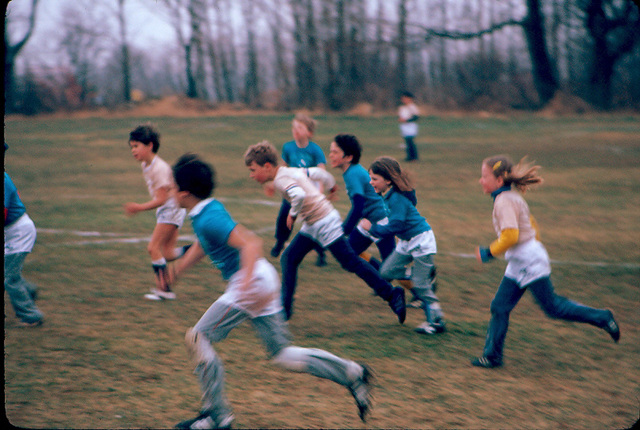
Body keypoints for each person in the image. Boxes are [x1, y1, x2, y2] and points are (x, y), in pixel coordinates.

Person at [168, 154, 373, 428]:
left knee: (197, 338)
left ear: (184, 193)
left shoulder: (208, 219)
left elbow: (251, 243)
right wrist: (178, 271)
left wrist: (244, 283)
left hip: (251, 283)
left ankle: (217, 416)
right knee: (282, 354)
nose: (169, 192)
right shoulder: (205, 212)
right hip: (262, 280)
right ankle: (352, 373)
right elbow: (204, 244)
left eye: (171, 187)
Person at [471, 155, 620, 368]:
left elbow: (511, 235)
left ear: (499, 180)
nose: (480, 180)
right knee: (499, 306)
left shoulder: (504, 202)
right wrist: (531, 247)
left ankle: (603, 317)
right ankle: (492, 357)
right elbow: (531, 224)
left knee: (553, 307)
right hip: (522, 259)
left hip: (528, 260)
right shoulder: (509, 198)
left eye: (484, 176)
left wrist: (489, 252)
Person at [244, 141, 406, 324]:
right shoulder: (289, 171)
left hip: (323, 223)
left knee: (351, 262)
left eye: (252, 170)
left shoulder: (281, 180)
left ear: (266, 167)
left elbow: (298, 195)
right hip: (314, 223)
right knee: (289, 258)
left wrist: (292, 214)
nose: (251, 175)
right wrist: (331, 186)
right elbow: (319, 173)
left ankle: (392, 295)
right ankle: (284, 312)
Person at [360, 156, 446, 335]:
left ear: (388, 180)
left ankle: (436, 322)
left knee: (421, 286)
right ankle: (424, 275)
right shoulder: (390, 195)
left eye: (374, 179)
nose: (371, 182)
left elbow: (397, 225)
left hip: (420, 240)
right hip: (407, 242)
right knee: (386, 271)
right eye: (370, 178)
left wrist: (374, 229)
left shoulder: (396, 198)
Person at [123, 124, 187, 301]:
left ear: (150, 145)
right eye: (132, 147)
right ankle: (200, 248)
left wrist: (138, 207)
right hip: (170, 209)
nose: (133, 151)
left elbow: (162, 199)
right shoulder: (146, 164)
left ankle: (164, 290)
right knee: (167, 253)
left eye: (136, 146)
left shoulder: (159, 168)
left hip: (171, 209)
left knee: (153, 248)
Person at [327, 134, 395, 271]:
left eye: (335, 152)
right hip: (368, 222)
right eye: (331, 151)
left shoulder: (352, 173)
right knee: (348, 254)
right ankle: (381, 279)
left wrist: (345, 229)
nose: (330, 155)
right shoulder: (351, 172)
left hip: (381, 222)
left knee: (391, 269)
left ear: (348, 157)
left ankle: (423, 284)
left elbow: (358, 205)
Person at [271, 114, 327, 267]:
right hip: (291, 191)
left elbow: (321, 173)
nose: (295, 130)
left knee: (313, 224)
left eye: (300, 128)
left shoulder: (315, 150)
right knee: (283, 217)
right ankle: (279, 243)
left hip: (309, 193)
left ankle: (321, 253)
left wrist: (320, 190)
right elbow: (282, 167)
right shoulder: (288, 147)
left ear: (309, 132)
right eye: (294, 127)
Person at [4, 143, 44, 327]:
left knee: (9, 278)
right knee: (10, 274)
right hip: (11, 231)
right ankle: (28, 292)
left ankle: (31, 316)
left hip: (18, 232)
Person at [398, 91, 420, 162]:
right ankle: (409, 157)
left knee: (410, 142)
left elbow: (416, 117)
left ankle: (414, 157)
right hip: (404, 127)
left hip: (410, 126)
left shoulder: (412, 107)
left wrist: (406, 120)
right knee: (407, 142)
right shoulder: (402, 107)